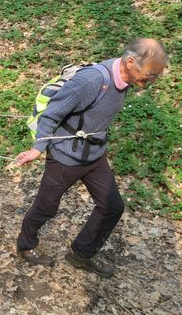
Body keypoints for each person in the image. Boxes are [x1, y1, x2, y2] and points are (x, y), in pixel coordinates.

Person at [14, 38, 168, 278]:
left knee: (112, 207)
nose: (152, 81)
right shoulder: (92, 80)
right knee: (46, 208)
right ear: (130, 62)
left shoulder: (126, 80)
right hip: (65, 157)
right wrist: (38, 148)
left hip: (94, 156)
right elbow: (52, 115)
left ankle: (81, 254)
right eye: (151, 75)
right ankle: (25, 246)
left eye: (156, 76)